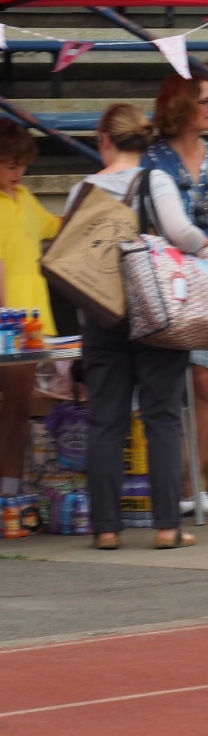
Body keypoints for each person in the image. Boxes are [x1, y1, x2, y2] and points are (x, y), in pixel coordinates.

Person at [70, 104, 208, 550]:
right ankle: (168, 527)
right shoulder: (156, 181)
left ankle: (106, 529)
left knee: (106, 420)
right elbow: (181, 233)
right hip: (155, 314)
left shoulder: (82, 190)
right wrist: (206, 244)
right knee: (162, 418)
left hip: (102, 316)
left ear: (104, 139)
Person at [143, 74, 208, 518]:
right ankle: (167, 480)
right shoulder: (152, 159)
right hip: (172, 276)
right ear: (183, 107)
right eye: (207, 101)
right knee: (168, 381)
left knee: (206, 381)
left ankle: (194, 482)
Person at [0, 121, 60, 503]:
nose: (18, 173)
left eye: (22, 165)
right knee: (16, 403)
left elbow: (55, 226)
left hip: (30, 322)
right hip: (8, 322)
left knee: (20, 405)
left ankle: (9, 492)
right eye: (10, 165)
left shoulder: (24, 198)